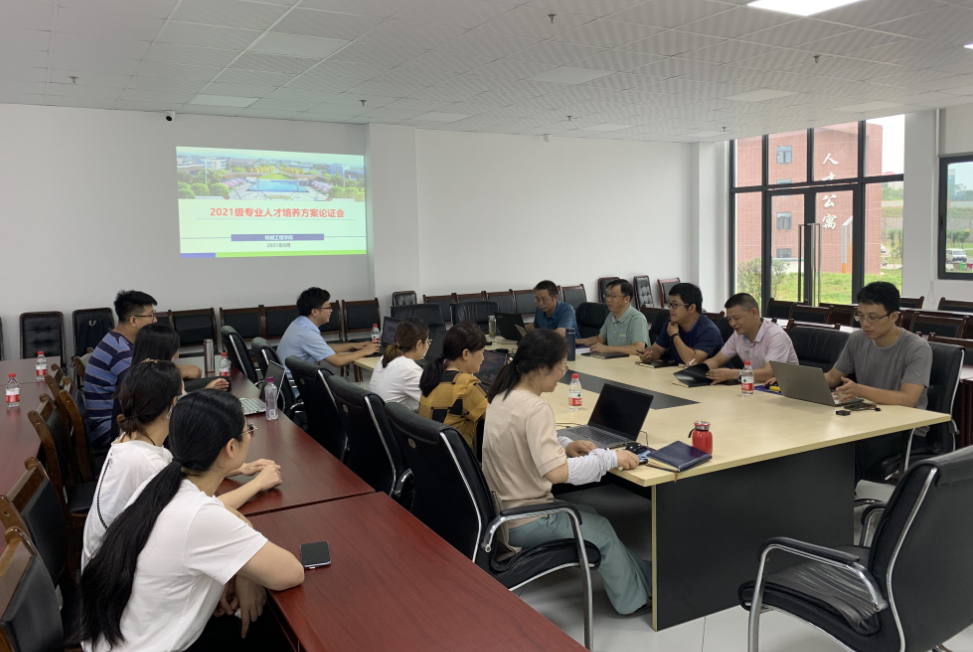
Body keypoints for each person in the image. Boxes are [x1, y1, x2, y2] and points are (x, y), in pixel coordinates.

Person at [81, 390, 304, 652]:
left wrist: (242, 570)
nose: (250, 436)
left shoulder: (161, 483)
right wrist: (246, 573)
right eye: (248, 431)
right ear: (231, 448)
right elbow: (291, 573)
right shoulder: (199, 516)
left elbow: (214, 516)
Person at [481, 329, 651, 615]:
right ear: (542, 368)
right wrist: (610, 458)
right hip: (525, 519)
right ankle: (632, 601)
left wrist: (565, 444)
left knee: (592, 516)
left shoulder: (501, 395)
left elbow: (523, 438)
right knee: (602, 529)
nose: (564, 372)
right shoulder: (536, 408)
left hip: (503, 511)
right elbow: (558, 474)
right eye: (561, 366)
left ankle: (641, 576)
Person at [84, 361, 282, 568]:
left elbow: (180, 477)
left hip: (111, 558)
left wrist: (235, 468)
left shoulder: (131, 438)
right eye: (184, 392)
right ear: (174, 403)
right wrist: (257, 484)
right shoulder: (148, 463)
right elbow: (198, 513)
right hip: (114, 569)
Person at [821, 282, 932, 484]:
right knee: (820, 441)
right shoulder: (857, 339)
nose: (865, 324)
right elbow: (832, 378)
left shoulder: (917, 348)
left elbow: (908, 399)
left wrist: (860, 390)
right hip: (866, 419)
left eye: (873, 317)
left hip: (904, 430)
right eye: (860, 316)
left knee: (848, 454)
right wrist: (793, 379)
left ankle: (835, 500)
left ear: (894, 316)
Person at [108, 323, 229, 443]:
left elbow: (182, 403)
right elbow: (185, 415)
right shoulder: (157, 384)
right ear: (164, 354)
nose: (174, 358)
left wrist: (205, 392)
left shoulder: (132, 378)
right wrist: (206, 395)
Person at [276, 287, 379, 380]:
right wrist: (365, 351)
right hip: (296, 386)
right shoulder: (307, 333)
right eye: (328, 307)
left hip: (289, 381)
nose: (331, 311)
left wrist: (354, 345)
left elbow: (325, 348)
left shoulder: (300, 323)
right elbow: (337, 361)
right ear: (315, 312)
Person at [418, 321, 489, 449]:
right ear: (466, 354)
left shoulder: (433, 375)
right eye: (482, 352)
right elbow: (497, 418)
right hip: (454, 457)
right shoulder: (467, 384)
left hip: (430, 455)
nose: (483, 358)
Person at [703, 293, 798, 384]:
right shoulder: (738, 335)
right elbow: (716, 361)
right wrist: (697, 369)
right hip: (754, 386)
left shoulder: (776, 336)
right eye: (729, 319)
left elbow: (769, 373)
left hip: (782, 390)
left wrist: (733, 374)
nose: (732, 324)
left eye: (736, 318)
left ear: (754, 313)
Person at [638, 282, 723, 366]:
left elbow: (692, 361)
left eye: (675, 305)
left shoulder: (709, 330)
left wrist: (674, 335)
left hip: (710, 374)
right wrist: (648, 355)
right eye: (670, 304)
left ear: (691, 308)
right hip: (679, 372)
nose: (670, 309)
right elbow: (657, 349)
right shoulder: (671, 322)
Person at [369, 318, 430, 411]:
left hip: (381, 416)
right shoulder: (409, 369)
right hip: (396, 418)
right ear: (418, 344)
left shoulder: (386, 357)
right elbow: (434, 402)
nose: (428, 346)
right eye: (427, 342)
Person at [576, 280, 649, 355]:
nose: (608, 300)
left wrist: (606, 349)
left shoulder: (637, 319)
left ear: (626, 299)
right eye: (607, 295)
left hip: (632, 361)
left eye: (613, 296)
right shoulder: (611, 315)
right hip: (613, 360)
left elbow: (638, 348)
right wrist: (575, 341)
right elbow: (600, 339)